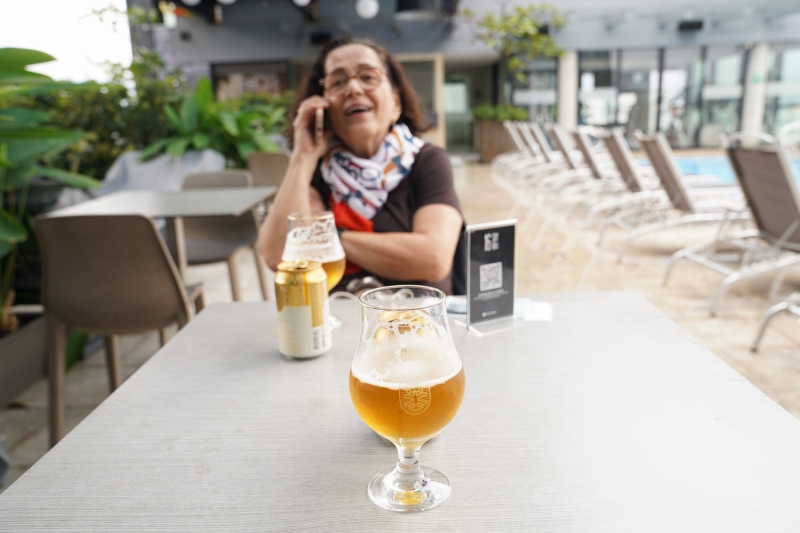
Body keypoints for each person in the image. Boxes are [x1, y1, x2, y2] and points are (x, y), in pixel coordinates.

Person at [258, 36, 463, 294]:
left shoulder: (427, 161)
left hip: (415, 322)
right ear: (323, 106)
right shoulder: (316, 171)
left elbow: (433, 258)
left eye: (368, 77)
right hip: (340, 324)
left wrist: (328, 236)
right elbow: (280, 256)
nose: (353, 89)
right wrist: (303, 156)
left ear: (396, 103)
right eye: (338, 82)